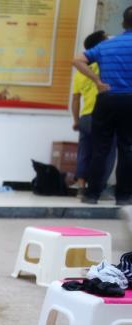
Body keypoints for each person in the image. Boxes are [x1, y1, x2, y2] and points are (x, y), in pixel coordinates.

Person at [73, 18, 131, 205]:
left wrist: (97, 80)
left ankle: (92, 195)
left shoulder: (107, 45)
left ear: (123, 23)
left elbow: (78, 60)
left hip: (106, 100)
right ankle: (123, 197)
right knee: (127, 149)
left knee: (100, 149)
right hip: (129, 100)